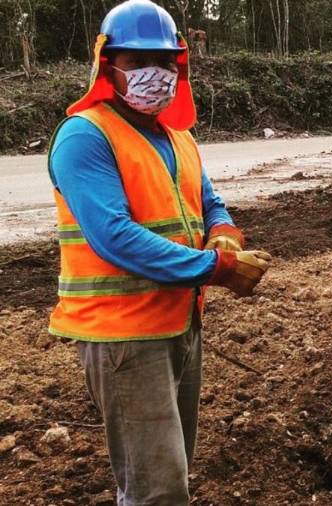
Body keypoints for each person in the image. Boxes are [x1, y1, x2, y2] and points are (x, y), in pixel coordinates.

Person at [47, 1, 272, 503]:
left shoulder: (177, 135)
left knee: (169, 474)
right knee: (157, 490)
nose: (158, 73)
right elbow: (115, 237)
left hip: (178, 324)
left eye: (168, 62)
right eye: (140, 61)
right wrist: (217, 268)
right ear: (109, 66)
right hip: (124, 336)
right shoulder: (85, 136)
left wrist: (224, 236)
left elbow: (209, 201)